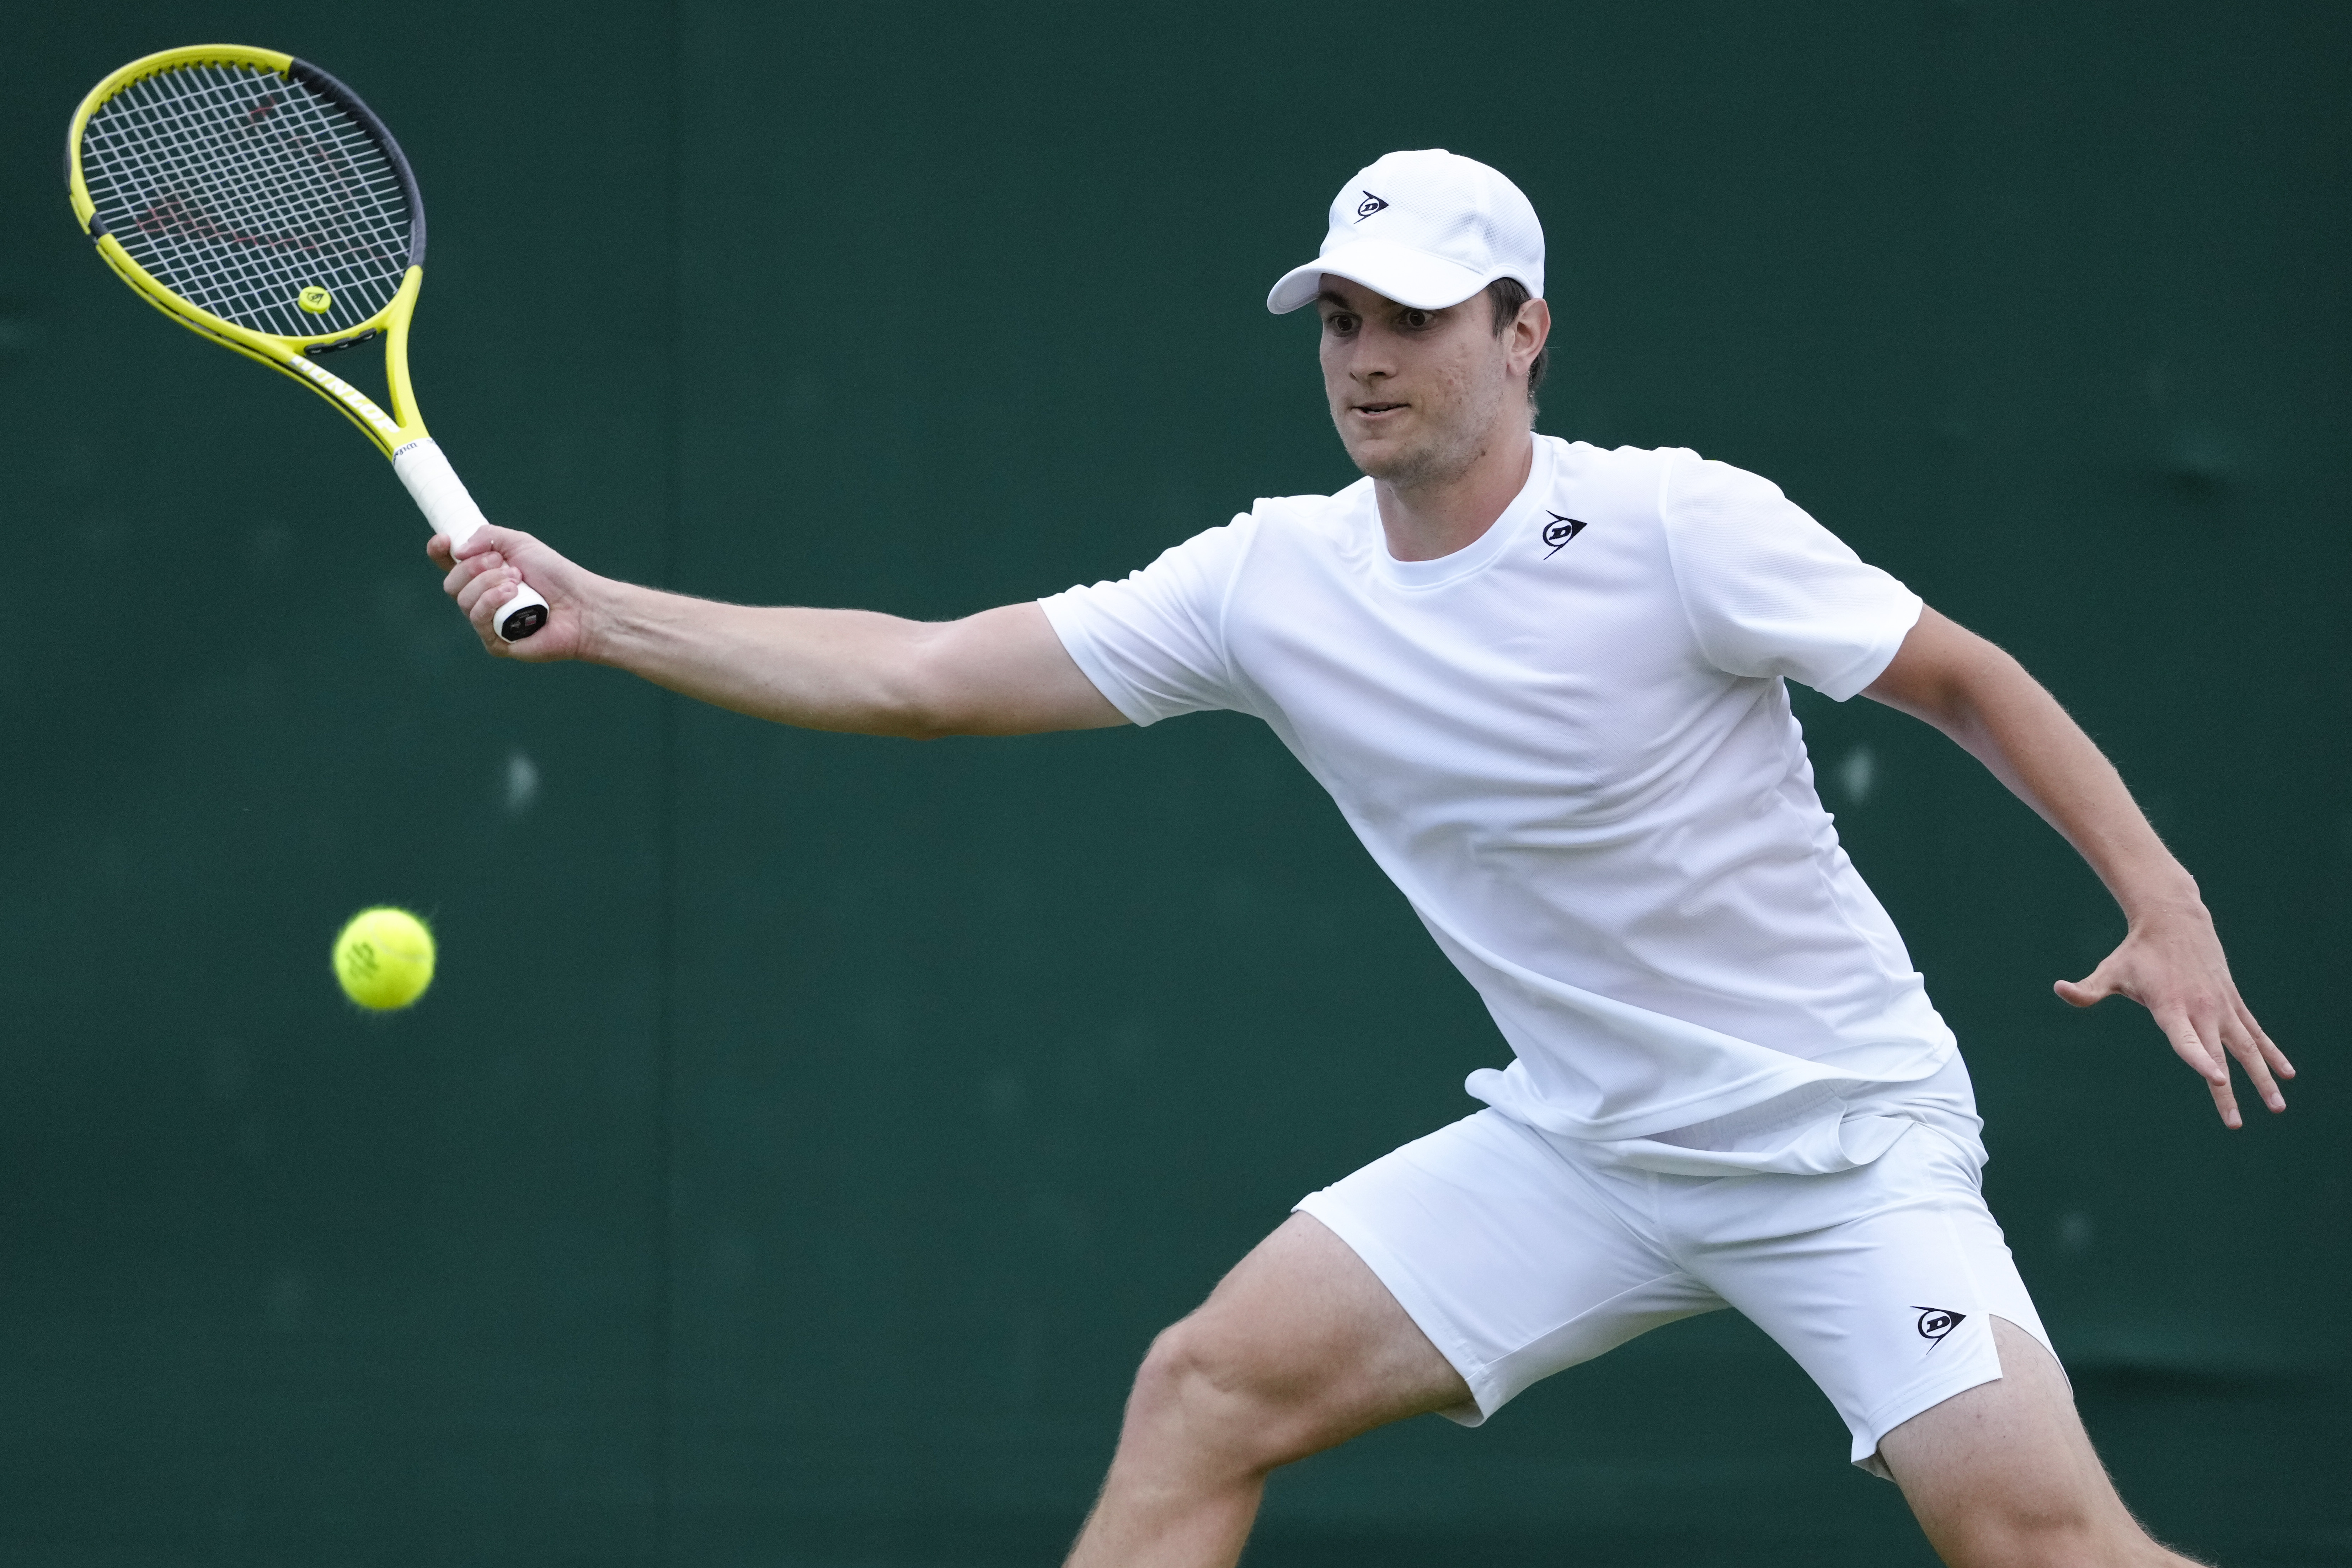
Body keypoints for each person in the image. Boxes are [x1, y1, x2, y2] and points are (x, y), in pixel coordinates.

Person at [433, 149, 2290, 1568]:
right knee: (1203, 1388)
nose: (1367, 358)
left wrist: (2165, 899)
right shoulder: (1268, 581)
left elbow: (1960, 676)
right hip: (1578, 1144)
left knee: (2040, 1549)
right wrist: (608, 614)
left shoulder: (1674, 526)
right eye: (1339, 318)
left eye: (1412, 318)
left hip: (1831, 1147)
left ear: (1521, 332)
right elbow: (924, 678)